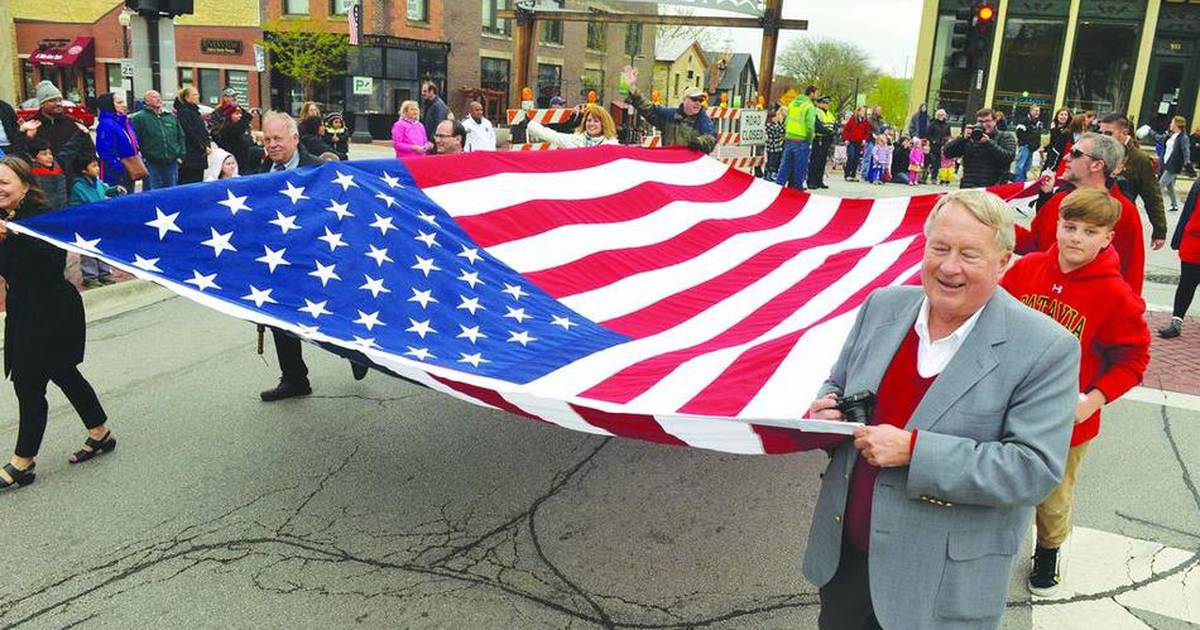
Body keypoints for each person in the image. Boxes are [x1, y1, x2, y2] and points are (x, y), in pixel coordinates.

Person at [804, 188, 1080, 630]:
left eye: (970, 254)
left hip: (938, 585)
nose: (950, 266)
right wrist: (828, 411)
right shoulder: (883, 305)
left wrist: (916, 450)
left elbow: (1033, 469)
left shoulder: (1046, 348)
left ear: (1004, 262)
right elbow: (838, 383)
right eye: (940, 248)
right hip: (846, 565)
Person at [1001, 187, 1150, 595]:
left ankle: (1048, 550)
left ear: (1107, 238)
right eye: (1069, 227)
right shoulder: (1026, 269)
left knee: (1051, 495)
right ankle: (990, 549)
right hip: (1009, 405)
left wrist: (1093, 400)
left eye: (1089, 231)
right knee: (998, 480)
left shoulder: (1116, 294)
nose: (1075, 238)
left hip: (1068, 419)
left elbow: (1134, 360)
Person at [0, 156, 115, 492]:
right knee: (64, 374)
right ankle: (100, 432)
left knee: (29, 382)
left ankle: (23, 460)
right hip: (24, 310)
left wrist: (12, 236)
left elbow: (50, 263)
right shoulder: (5, 219)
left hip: (54, 309)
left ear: (25, 183)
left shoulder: (42, 217)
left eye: (5, 182)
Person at [255, 112, 368, 401]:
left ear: (294, 138)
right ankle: (294, 378)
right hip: (281, 259)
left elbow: (341, 215)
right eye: (267, 139)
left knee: (330, 310)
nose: (271, 144)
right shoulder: (261, 173)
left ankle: (356, 351)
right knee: (280, 316)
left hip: (317, 259)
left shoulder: (320, 171)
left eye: (277, 138)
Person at [1017, 132, 1146, 295]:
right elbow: (1035, 245)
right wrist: (996, 226)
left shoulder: (1123, 211)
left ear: (1097, 165)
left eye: (1075, 153)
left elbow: (1131, 272)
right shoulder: (1059, 200)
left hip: (1085, 311)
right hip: (1043, 300)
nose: (1066, 158)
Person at [1100, 113, 1167, 250]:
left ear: (1124, 132)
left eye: (1109, 133)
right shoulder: (1097, 151)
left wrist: (1159, 231)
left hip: (1121, 221)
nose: (1103, 138)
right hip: (1094, 217)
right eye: (1101, 132)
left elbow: (1152, 196)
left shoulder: (1139, 159)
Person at [620, 66, 716, 155]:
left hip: (690, 167)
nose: (698, 103)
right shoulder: (670, 115)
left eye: (701, 100)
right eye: (694, 99)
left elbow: (711, 139)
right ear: (684, 100)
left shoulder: (703, 120)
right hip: (669, 163)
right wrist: (632, 88)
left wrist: (699, 142)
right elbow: (648, 109)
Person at [19, 81, 95, 188]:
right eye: (52, 100)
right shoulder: (31, 125)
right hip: (43, 182)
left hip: (73, 181)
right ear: (42, 103)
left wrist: (84, 172)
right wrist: (26, 137)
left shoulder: (73, 123)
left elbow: (88, 150)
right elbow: (21, 155)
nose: (58, 103)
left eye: (60, 99)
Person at [68, 152, 123, 287]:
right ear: (84, 170)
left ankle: (104, 273)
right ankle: (90, 276)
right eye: (94, 166)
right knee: (89, 250)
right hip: (85, 223)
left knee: (102, 247)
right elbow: (90, 202)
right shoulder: (78, 187)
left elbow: (106, 190)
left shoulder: (97, 182)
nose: (98, 168)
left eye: (97, 165)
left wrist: (115, 190)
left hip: (99, 220)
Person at [1160, 176, 1200, 338]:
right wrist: (1178, 239)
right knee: (1186, 284)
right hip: (1193, 242)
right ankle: (1176, 323)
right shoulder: (1198, 183)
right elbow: (1187, 213)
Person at [941, 107, 1017, 188]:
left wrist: (988, 143)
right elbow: (947, 153)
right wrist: (962, 138)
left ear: (995, 121)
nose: (984, 124)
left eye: (987, 121)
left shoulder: (1005, 136)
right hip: (970, 186)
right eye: (980, 121)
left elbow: (1008, 157)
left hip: (994, 187)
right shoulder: (970, 139)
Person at [130, 90, 186, 190]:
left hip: (171, 162)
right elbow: (135, 140)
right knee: (152, 191)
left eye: (159, 96)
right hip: (151, 163)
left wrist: (181, 155)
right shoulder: (139, 118)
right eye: (154, 97)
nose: (158, 99)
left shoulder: (170, 117)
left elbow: (180, 136)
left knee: (171, 191)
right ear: (146, 101)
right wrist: (142, 159)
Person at [94, 92, 140, 189]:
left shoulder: (123, 122)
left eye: (123, 102)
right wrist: (118, 167)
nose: (124, 105)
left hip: (128, 167)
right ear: (109, 105)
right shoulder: (106, 124)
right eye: (119, 102)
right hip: (116, 172)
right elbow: (105, 150)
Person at [776, 85, 818, 190]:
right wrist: (810, 138)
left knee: (785, 166)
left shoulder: (793, 103)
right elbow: (810, 126)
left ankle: (777, 190)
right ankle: (797, 192)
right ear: (811, 93)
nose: (817, 95)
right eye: (817, 93)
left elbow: (786, 121)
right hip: (802, 140)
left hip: (789, 138)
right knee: (800, 168)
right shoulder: (809, 107)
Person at [526, 104, 618, 148]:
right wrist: (529, 124)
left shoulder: (612, 146)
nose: (591, 124)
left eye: (596, 121)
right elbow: (552, 135)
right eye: (589, 120)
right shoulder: (576, 140)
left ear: (604, 124)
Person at [174, 87, 210, 185]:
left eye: (197, 94)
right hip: (191, 155)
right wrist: (203, 146)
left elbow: (202, 131)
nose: (197, 97)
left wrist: (207, 144)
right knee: (190, 181)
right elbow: (190, 132)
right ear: (186, 97)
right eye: (194, 95)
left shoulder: (195, 112)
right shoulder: (185, 112)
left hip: (199, 155)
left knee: (198, 180)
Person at [213, 105, 255, 176]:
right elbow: (235, 131)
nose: (239, 116)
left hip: (244, 165)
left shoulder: (242, 127)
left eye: (240, 114)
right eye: (236, 114)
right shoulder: (226, 129)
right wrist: (247, 117)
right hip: (232, 167)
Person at [27, 139, 68, 211]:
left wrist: (81, 133)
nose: (49, 157)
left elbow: (70, 149)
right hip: (44, 211)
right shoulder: (32, 172)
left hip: (63, 208)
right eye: (44, 154)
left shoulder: (58, 167)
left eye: (50, 153)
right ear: (33, 158)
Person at [1160, 115, 1189, 212]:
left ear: (1177, 124)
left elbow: (1186, 151)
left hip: (1173, 166)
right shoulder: (1172, 135)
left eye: (1172, 122)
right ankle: (1174, 205)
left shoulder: (1183, 138)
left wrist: (1187, 162)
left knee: (1159, 186)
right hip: (1167, 163)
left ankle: (1151, 205)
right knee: (1170, 186)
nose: (1170, 124)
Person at [807, 96, 837, 189]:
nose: (827, 105)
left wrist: (834, 131)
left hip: (826, 140)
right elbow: (817, 125)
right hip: (819, 139)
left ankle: (819, 181)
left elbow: (835, 124)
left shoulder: (829, 114)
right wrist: (829, 132)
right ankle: (812, 181)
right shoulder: (816, 112)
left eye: (827, 103)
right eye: (825, 103)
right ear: (819, 103)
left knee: (822, 162)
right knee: (815, 161)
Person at [1012, 105, 1045, 182]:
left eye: (1038, 111)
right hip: (1025, 147)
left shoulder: (1038, 122)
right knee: (1020, 165)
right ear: (1030, 111)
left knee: (1027, 165)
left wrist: (1037, 145)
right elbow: (1019, 134)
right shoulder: (1024, 121)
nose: (1037, 112)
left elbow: (1038, 135)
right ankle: (1017, 182)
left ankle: (1022, 181)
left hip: (1032, 148)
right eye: (1035, 110)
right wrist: (1027, 143)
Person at [842, 107, 870, 182]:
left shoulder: (865, 121)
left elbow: (867, 132)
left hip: (859, 142)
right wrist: (846, 139)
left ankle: (853, 174)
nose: (863, 113)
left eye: (864, 112)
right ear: (858, 112)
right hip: (851, 141)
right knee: (851, 156)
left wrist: (865, 139)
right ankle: (847, 174)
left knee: (856, 158)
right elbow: (846, 129)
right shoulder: (853, 120)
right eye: (862, 111)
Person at [924, 108, 951, 185]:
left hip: (943, 146)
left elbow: (948, 135)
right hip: (934, 146)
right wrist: (933, 140)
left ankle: (941, 178)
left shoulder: (947, 125)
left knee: (941, 164)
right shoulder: (933, 124)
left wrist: (948, 141)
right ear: (937, 115)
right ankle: (933, 178)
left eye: (943, 115)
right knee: (934, 162)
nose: (941, 116)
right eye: (940, 115)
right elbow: (928, 134)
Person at [1044, 107, 1073, 174]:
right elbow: (1052, 143)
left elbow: (1058, 148)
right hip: (1050, 158)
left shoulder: (1067, 131)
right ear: (1057, 116)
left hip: (1058, 162)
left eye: (1066, 115)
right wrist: (1045, 148)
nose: (1063, 117)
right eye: (1061, 114)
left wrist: (1051, 167)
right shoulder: (1055, 128)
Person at [764, 106, 785, 181]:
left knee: (776, 161)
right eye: (774, 117)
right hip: (771, 146)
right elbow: (777, 133)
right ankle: (767, 175)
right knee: (771, 161)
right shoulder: (769, 125)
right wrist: (779, 127)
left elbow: (783, 130)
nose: (776, 118)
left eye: (776, 117)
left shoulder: (777, 124)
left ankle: (772, 174)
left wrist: (780, 126)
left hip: (778, 146)